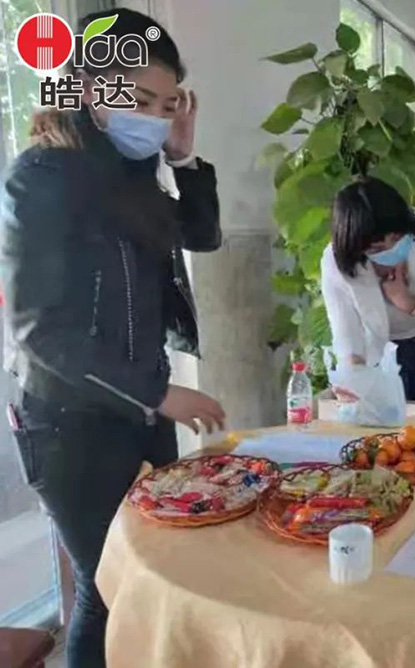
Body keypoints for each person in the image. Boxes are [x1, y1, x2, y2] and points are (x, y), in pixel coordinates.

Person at [0, 9, 225, 668]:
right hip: (68, 424)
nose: (153, 118)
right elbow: (40, 331)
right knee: (108, 589)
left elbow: (203, 235)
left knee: (156, 570)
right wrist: (160, 393)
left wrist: (184, 157)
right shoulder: (40, 177)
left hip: (138, 410)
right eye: (140, 100)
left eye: (166, 105)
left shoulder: (133, 176)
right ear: (88, 88)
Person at [321, 178, 415, 401]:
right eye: (378, 248)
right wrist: (353, 378)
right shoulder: (336, 262)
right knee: (384, 418)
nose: (392, 249)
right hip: (381, 349)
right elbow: (346, 331)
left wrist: (409, 302)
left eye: (397, 238)